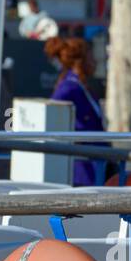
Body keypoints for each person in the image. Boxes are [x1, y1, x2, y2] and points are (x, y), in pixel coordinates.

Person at [45, 36, 115, 186]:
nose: (95, 62)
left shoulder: (82, 87)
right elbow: (52, 113)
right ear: (80, 61)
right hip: (82, 170)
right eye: (91, 57)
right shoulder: (69, 88)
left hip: (97, 163)